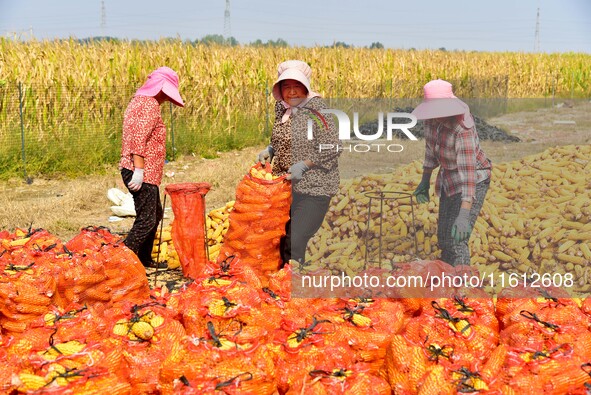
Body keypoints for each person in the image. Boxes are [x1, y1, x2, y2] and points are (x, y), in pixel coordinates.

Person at [258, 60, 341, 266]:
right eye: (287, 87)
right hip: (286, 187)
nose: (292, 92)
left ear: (306, 87)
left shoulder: (317, 109)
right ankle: (283, 286)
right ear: (279, 89)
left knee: (294, 239)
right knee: (279, 237)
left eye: (297, 86)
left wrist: (304, 164)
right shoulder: (281, 108)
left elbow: (333, 146)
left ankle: (292, 285)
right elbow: (281, 136)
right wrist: (271, 149)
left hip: (315, 188)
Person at [411, 79, 492, 267]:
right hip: (449, 177)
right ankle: (446, 281)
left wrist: (464, 214)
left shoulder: (462, 129)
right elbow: (431, 151)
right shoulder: (431, 121)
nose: (436, 115)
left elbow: (468, 173)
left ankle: (465, 289)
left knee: (457, 239)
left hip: (473, 179)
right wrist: (425, 180)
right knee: (444, 238)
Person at [119, 66, 185, 269]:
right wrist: (139, 170)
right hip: (141, 171)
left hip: (143, 171)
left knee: (154, 214)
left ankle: (144, 258)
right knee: (146, 220)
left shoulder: (139, 101)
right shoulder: (149, 106)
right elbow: (139, 138)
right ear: (161, 88)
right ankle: (121, 261)